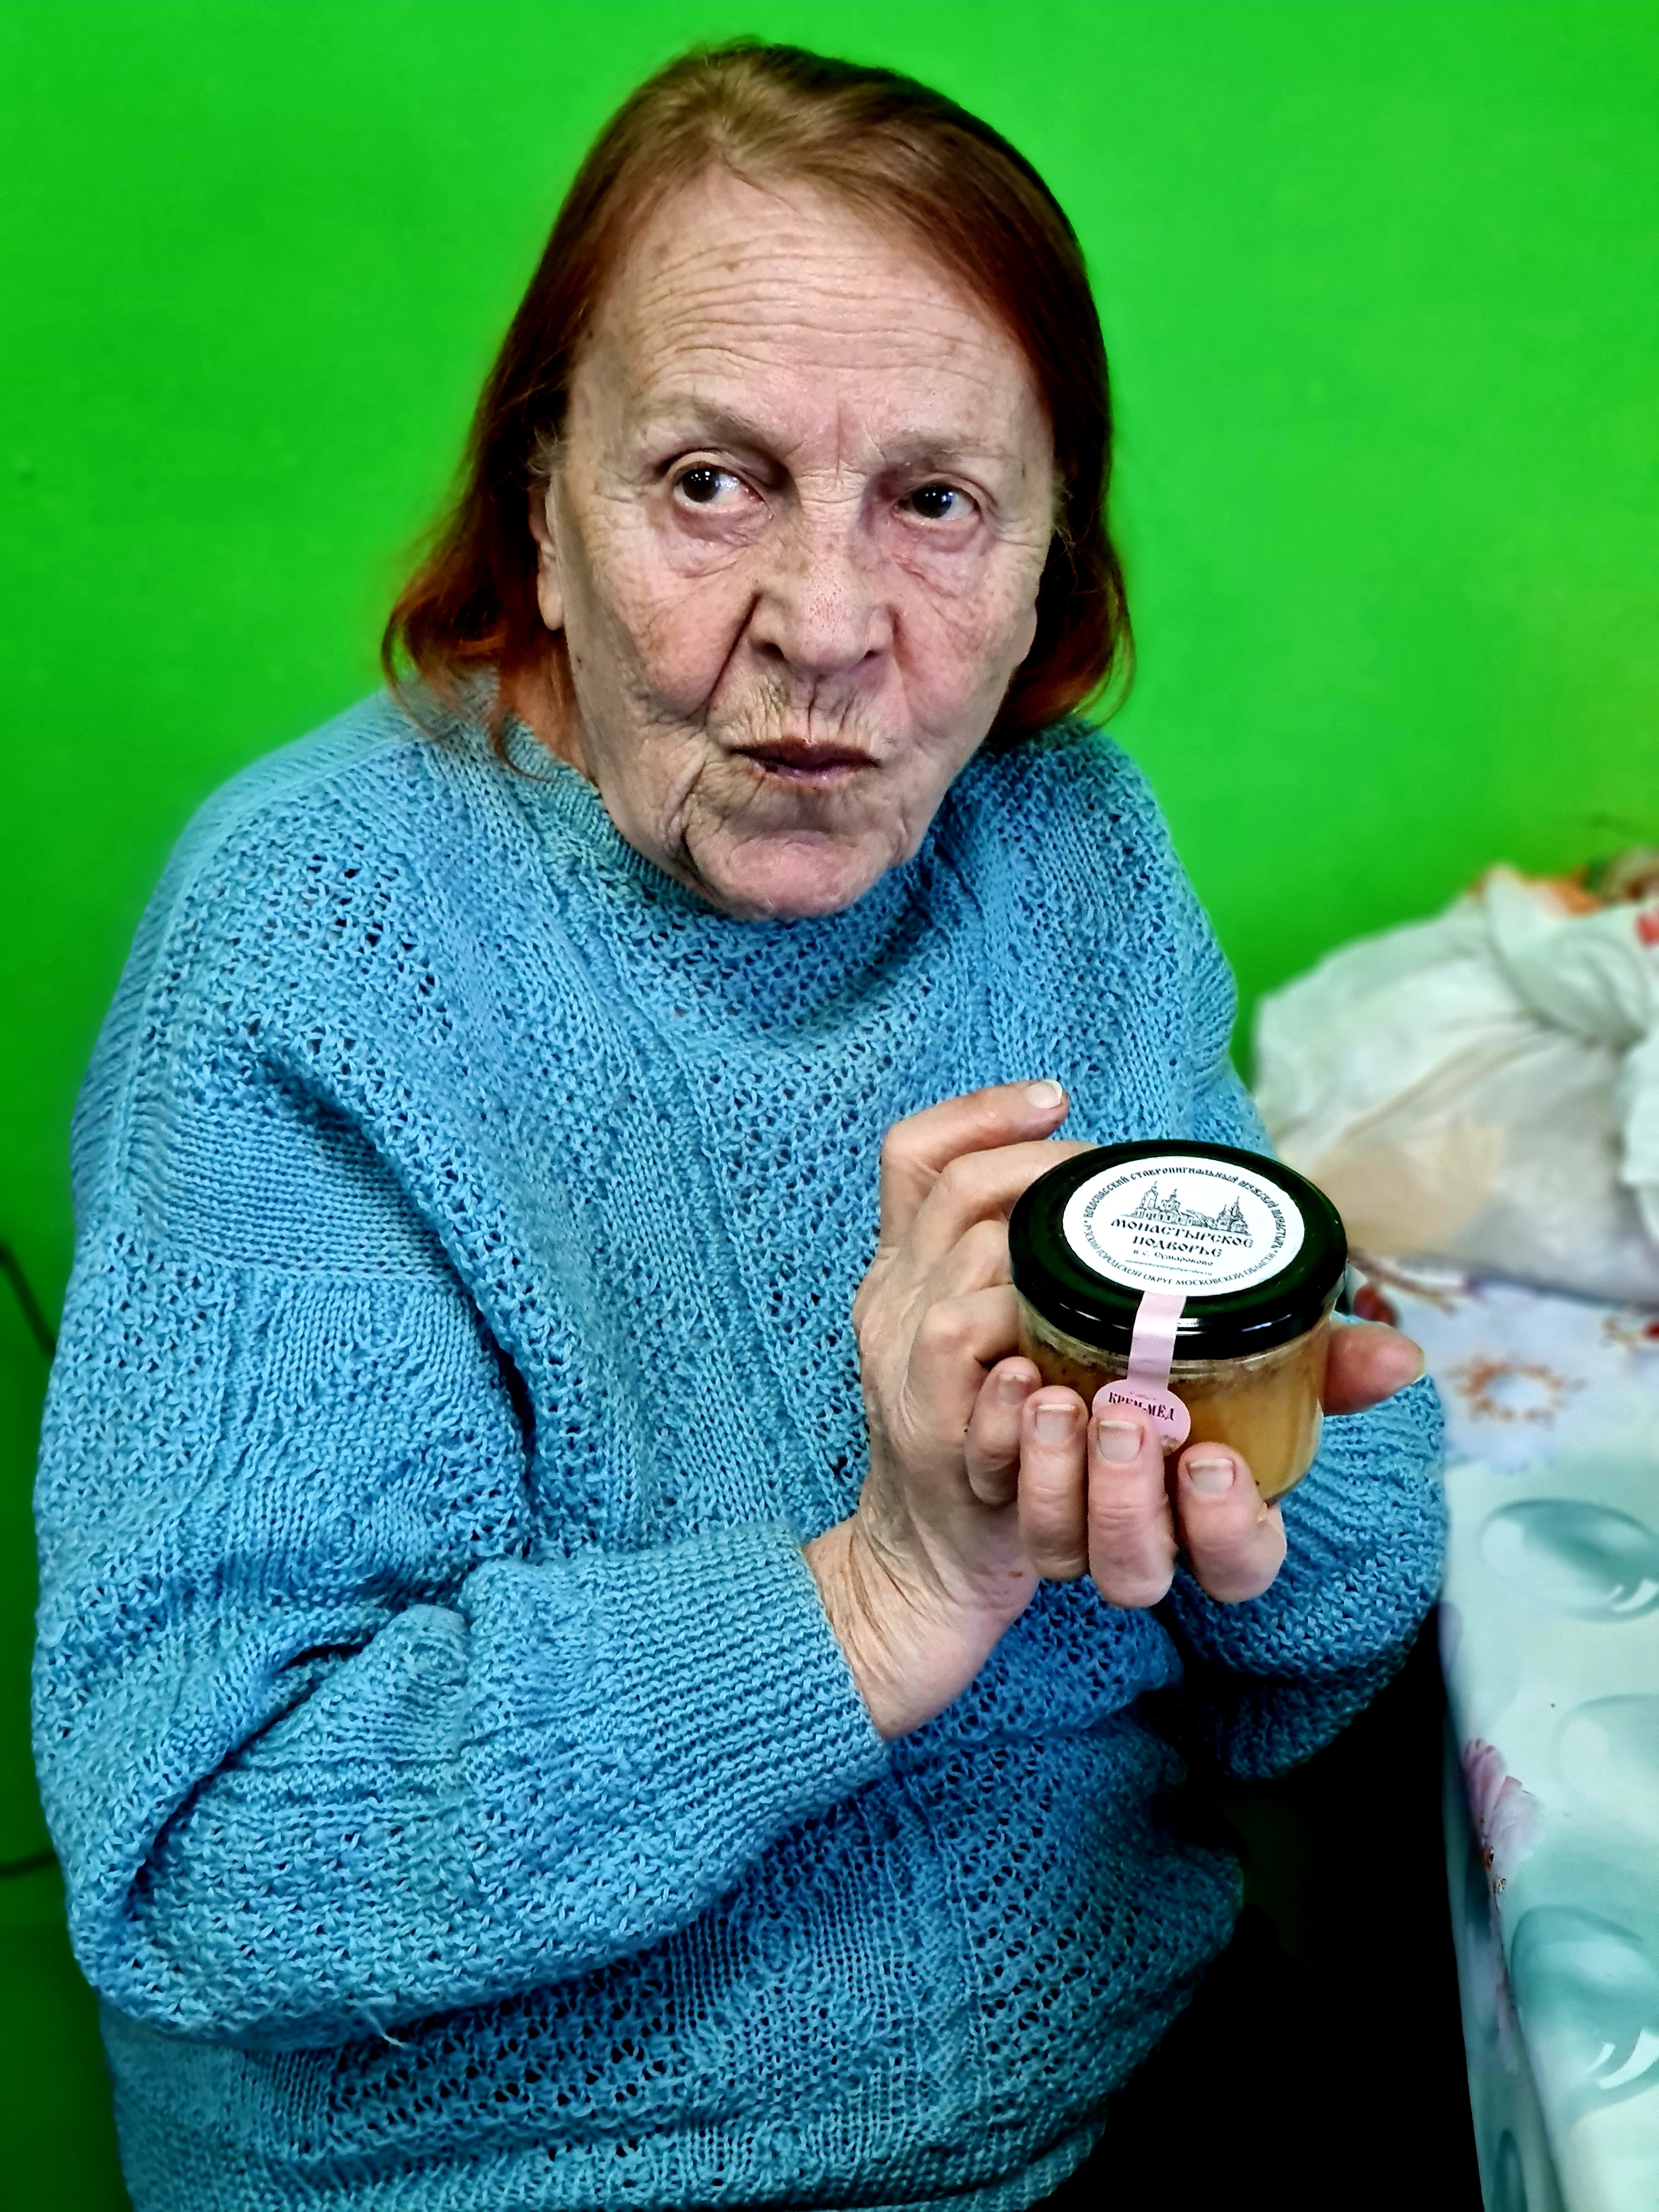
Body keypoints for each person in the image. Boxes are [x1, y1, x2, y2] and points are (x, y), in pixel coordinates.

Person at [33, 42, 1443, 2212]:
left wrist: (1273, 1483)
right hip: (540, 2176)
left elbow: (1300, 1667)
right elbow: (208, 1864)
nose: (828, 628)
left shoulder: (1062, 848)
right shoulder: (320, 943)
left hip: (1117, 2078)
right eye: (710, 482)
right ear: (543, 510)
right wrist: (879, 1593)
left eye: (937, 503)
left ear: (1050, 557)